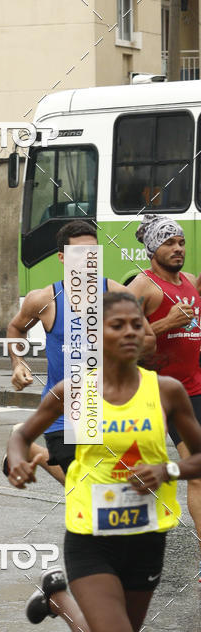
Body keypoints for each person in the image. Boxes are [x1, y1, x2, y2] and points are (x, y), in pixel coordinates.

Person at [7, 292, 201, 632]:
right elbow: (19, 435)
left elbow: (200, 458)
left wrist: (170, 469)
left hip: (146, 540)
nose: (132, 332)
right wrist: (19, 463)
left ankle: (58, 600)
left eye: (138, 324)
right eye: (119, 325)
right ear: (98, 337)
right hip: (90, 541)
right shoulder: (75, 393)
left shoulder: (167, 392)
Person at [6, 220, 155, 481]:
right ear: (63, 257)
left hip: (111, 411)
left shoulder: (117, 294)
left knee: (97, 487)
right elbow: (16, 328)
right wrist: (18, 363)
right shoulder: (45, 300)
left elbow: (150, 339)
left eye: (92, 253)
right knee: (87, 485)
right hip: (64, 414)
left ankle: (33, 451)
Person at [128, 215, 201, 581]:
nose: (177, 249)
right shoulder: (143, 286)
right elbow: (121, 340)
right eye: (169, 243)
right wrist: (165, 323)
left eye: (181, 242)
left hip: (196, 387)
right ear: (153, 248)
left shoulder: (189, 282)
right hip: (162, 393)